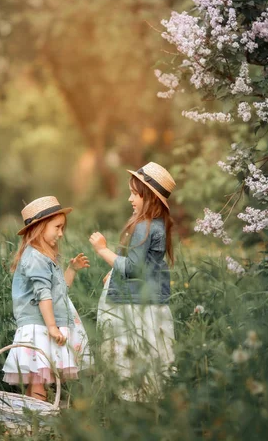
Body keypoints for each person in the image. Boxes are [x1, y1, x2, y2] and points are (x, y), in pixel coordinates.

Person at [89, 162, 176, 402]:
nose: (130, 199)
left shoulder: (143, 226)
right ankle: (147, 402)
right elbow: (148, 265)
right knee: (149, 352)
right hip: (150, 300)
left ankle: (133, 403)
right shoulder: (157, 224)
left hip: (135, 304)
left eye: (134, 194)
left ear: (149, 197)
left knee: (132, 352)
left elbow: (133, 268)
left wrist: (102, 250)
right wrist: (114, 272)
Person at [3, 196, 93, 401]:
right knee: (39, 380)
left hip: (44, 325)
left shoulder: (46, 258)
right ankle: (38, 424)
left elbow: (59, 291)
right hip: (40, 327)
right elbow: (43, 295)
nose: (61, 233)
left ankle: (30, 420)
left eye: (63, 228)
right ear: (40, 227)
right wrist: (52, 327)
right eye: (57, 227)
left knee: (39, 379)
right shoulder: (35, 257)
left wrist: (71, 269)